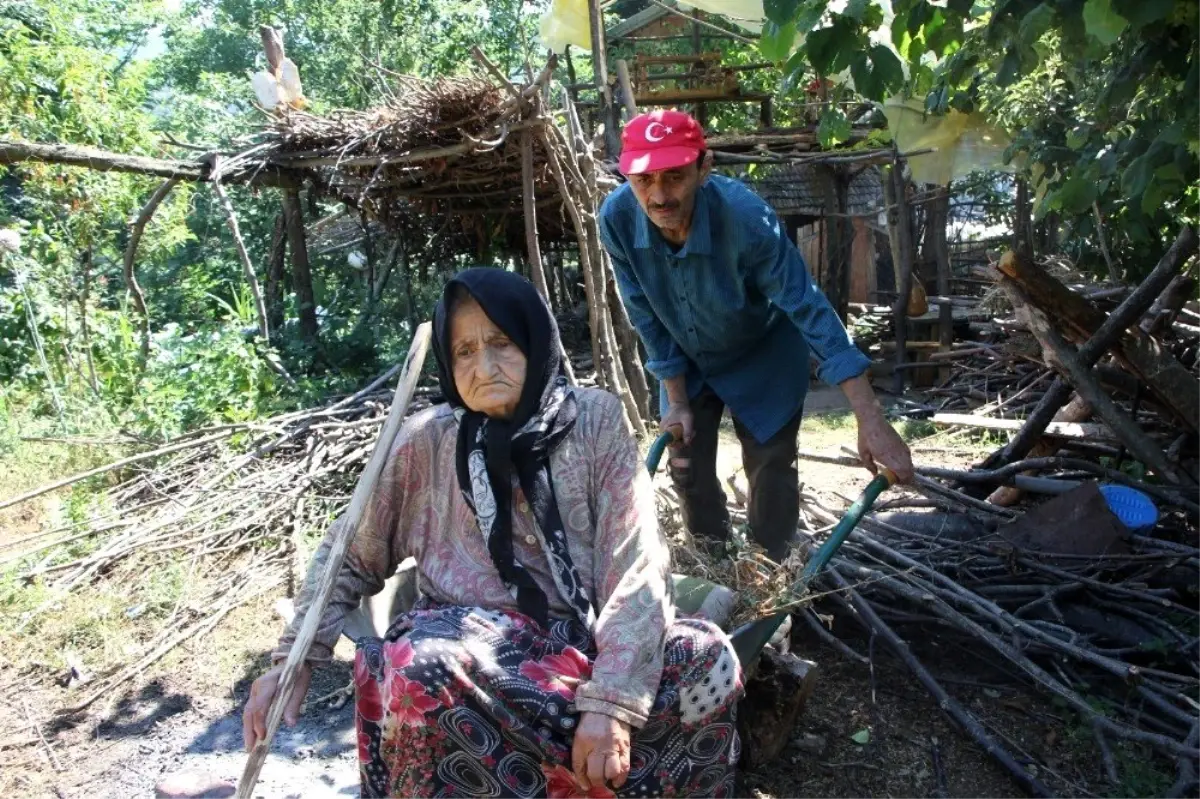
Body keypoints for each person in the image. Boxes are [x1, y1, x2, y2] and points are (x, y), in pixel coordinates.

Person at [243, 267, 743, 799]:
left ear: (534, 339)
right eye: (463, 351)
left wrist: (611, 700)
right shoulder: (425, 441)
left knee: (705, 657)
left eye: (501, 342)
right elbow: (350, 556)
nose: (483, 366)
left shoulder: (596, 421)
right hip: (469, 661)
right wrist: (294, 658)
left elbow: (636, 560)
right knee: (421, 667)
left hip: (584, 650)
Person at [598, 110, 914, 562]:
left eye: (674, 176)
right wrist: (678, 399)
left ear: (704, 167)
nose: (659, 195)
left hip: (762, 353)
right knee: (686, 468)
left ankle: (770, 574)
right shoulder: (616, 219)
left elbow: (809, 308)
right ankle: (716, 566)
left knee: (771, 469)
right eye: (643, 180)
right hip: (685, 357)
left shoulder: (747, 219)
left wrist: (870, 418)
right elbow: (643, 312)